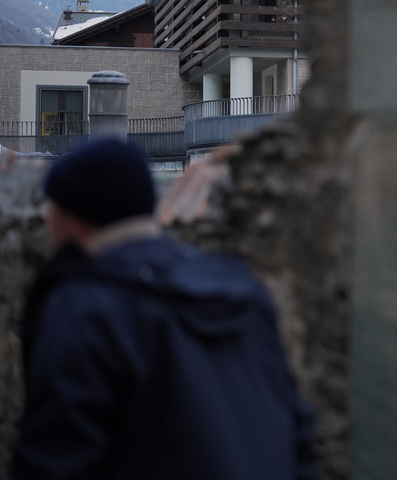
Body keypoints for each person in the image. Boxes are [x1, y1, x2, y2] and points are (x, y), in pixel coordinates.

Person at [11, 139, 317, 480]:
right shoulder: (242, 290)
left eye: (54, 208)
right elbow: (298, 436)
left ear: (75, 221)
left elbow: (57, 460)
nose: (47, 218)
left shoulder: (86, 307)